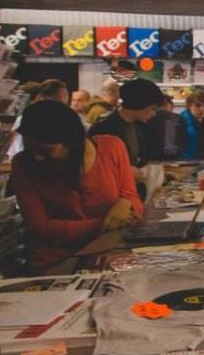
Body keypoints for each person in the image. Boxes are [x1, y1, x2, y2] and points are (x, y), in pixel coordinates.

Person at [11, 100, 143, 275]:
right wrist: (105, 222)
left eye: (46, 151)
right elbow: (40, 227)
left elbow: (132, 201)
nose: (36, 158)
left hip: (110, 254)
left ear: (72, 141)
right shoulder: (23, 164)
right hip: (57, 262)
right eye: (30, 148)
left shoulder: (112, 147)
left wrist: (126, 203)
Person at [88, 78, 165, 168]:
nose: (154, 114)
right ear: (140, 104)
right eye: (152, 108)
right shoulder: (102, 129)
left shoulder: (143, 126)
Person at [179, 91, 204, 160]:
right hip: (187, 163)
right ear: (189, 106)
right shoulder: (181, 123)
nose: (201, 109)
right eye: (197, 105)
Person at [145, 94, 183, 160]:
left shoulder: (148, 117)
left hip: (151, 156)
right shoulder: (177, 118)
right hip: (172, 156)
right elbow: (181, 139)